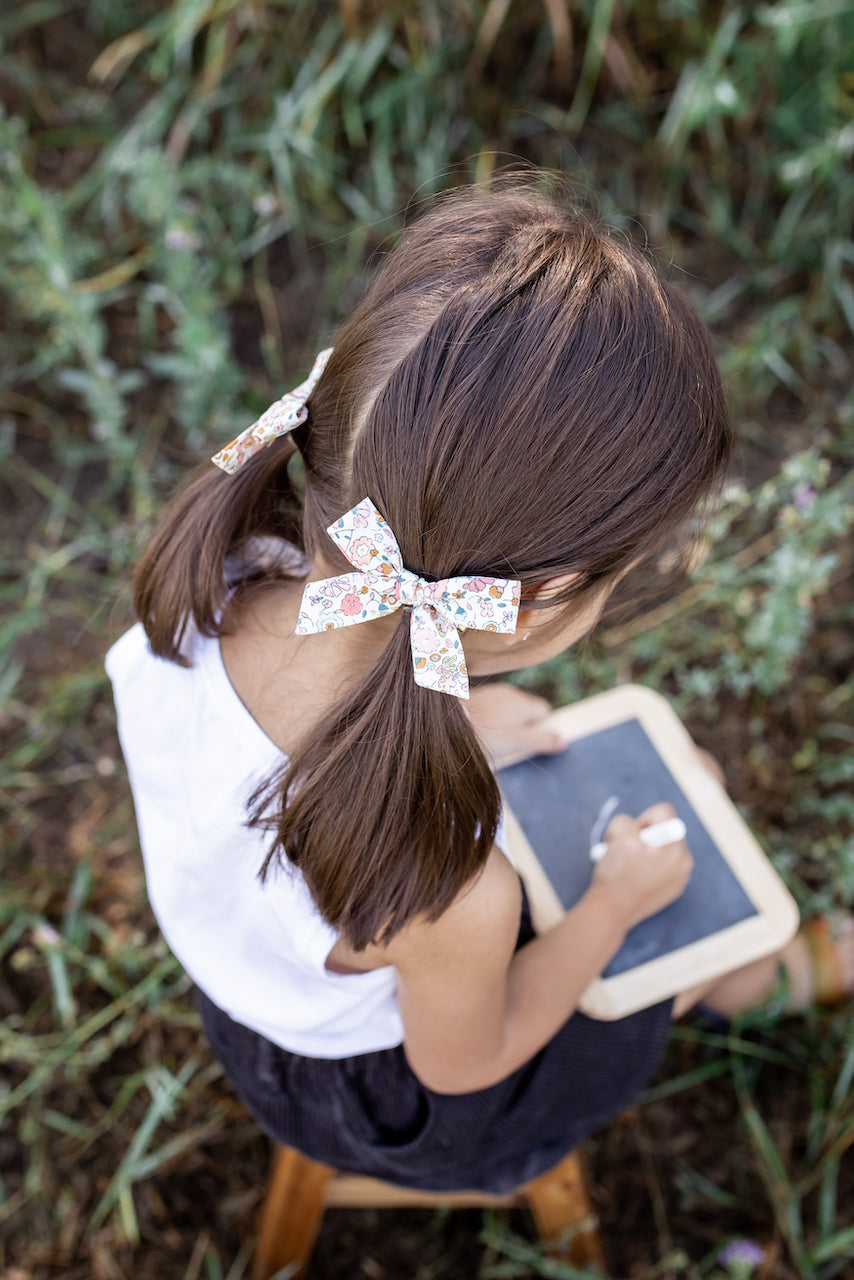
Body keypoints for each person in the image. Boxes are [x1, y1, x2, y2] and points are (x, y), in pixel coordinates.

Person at [106, 182, 850, 1194]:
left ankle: (738, 966)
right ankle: (747, 977)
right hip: (400, 1093)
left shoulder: (224, 585)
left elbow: (331, 695)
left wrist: (466, 717)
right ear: (538, 601)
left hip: (249, 984)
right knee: (680, 867)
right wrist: (610, 910)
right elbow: (466, 1060)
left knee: (675, 801)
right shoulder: (453, 887)